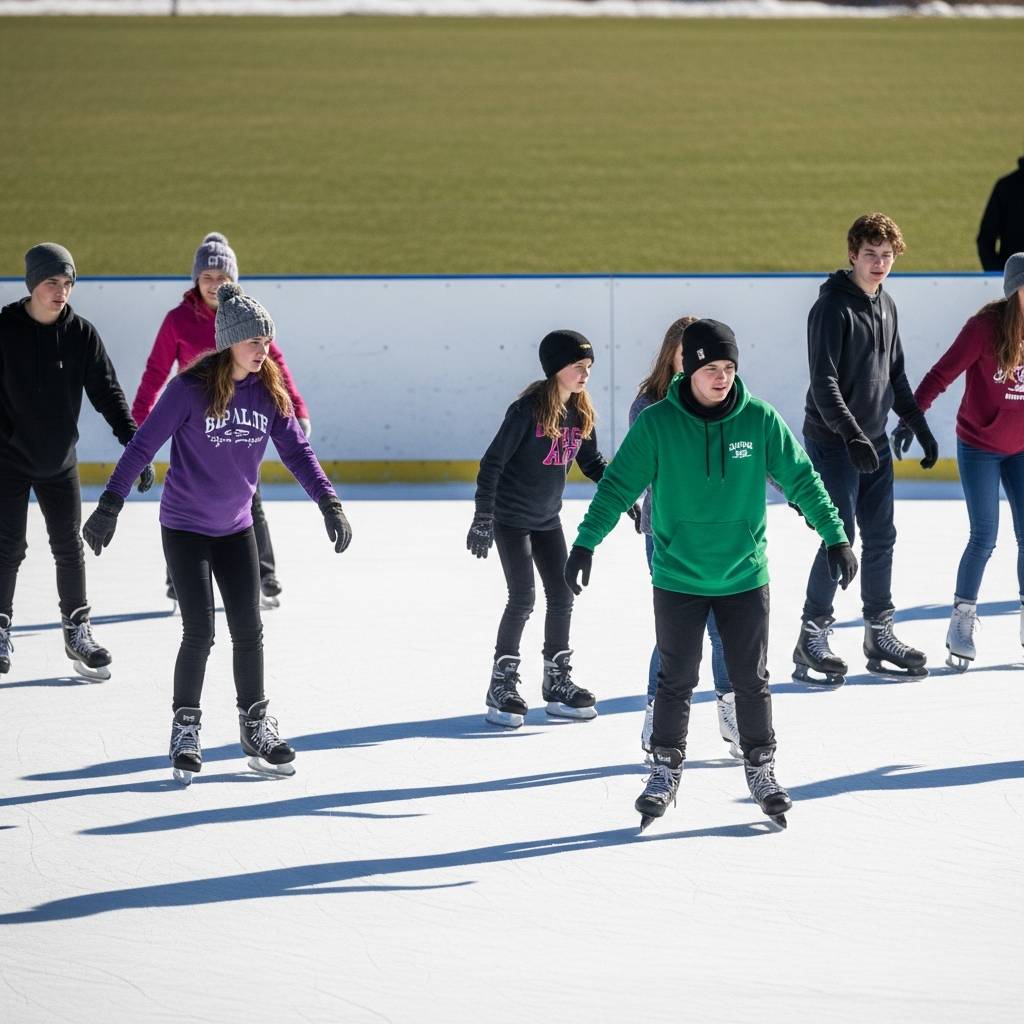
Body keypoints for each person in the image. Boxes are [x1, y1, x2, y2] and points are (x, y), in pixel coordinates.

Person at [565, 319, 855, 829]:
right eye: (711, 368)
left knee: (751, 680)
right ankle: (663, 768)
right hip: (677, 574)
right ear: (690, 368)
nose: (721, 377)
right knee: (675, 679)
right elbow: (616, 488)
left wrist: (833, 535)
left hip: (744, 575)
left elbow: (801, 479)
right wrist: (586, 543)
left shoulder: (759, 420)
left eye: (729, 368)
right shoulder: (657, 424)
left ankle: (761, 769)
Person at [83, 283, 351, 784]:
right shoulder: (188, 389)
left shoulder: (269, 390)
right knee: (200, 631)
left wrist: (329, 502)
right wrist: (110, 503)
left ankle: (255, 727)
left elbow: (297, 452)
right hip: (185, 527)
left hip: (236, 528)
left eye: (267, 340)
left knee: (249, 630)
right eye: (255, 341)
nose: (263, 349)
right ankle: (185, 728)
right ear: (230, 341)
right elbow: (143, 446)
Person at [467, 329, 637, 728]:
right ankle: (501, 683)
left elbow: (592, 463)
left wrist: (627, 498)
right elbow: (491, 463)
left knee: (562, 592)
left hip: (547, 521)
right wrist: (483, 517)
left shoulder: (581, 412)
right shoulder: (526, 410)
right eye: (578, 367)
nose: (585, 374)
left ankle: (556, 680)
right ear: (556, 369)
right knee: (523, 597)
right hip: (511, 521)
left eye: (589, 367)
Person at [131, 232, 312, 609]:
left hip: (242, 423)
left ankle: (263, 574)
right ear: (196, 281)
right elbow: (155, 372)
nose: (214, 284)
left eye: (222, 278)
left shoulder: (246, 317)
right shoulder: (178, 321)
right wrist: (138, 422)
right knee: (185, 502)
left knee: (249, 500)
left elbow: (275, 364)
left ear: (233, 281)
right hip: (196, 426)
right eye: (207, 277)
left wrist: (296, 408)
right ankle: (177, 580)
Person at [794, 212, 937, 686]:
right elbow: (824, 381)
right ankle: (812, 633)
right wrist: (851, 433)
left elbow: (895, 375)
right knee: (839, 536)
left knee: (882, 536)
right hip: (834, 441)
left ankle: (879, 632)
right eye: (870, 255)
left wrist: (917, 422)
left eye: (887, 256)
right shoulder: (831, 308)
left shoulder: (886, 304)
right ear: (852, 254)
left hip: (870, 440)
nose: (879, 264)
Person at [0, 242, 152, 682]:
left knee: (69, 547)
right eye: (52, 282)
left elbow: (108, 394)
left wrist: (135, 447)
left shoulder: (81, 334)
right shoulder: (5, 329)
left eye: (67, 283)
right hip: (8, 460)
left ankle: (77, 629)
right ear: (33, 284)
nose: (61, 291)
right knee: (8, 548)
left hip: (58, 460)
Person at [897, 253, 1024, 670]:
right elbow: (941, 374)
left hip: (1021, 447)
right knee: (985, 535)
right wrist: (910, 420)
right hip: (980, 444)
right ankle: (961, 620)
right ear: (1013, 291)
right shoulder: (984, 328)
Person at [629, 315, 740, 761]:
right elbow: (643, 464)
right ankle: (658, 714)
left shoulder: (727, 401)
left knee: (724, 631)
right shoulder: (649, 405)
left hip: (719, 533)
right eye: (689, 354)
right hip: (668, 534)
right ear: (673, 355)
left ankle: (732, 710)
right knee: (679, 631)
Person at [977, 153, 1024, 272]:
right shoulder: (1006, 187)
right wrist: (1001, 278)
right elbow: (986, 240)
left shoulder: (1005, 186)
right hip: (1015, 283)